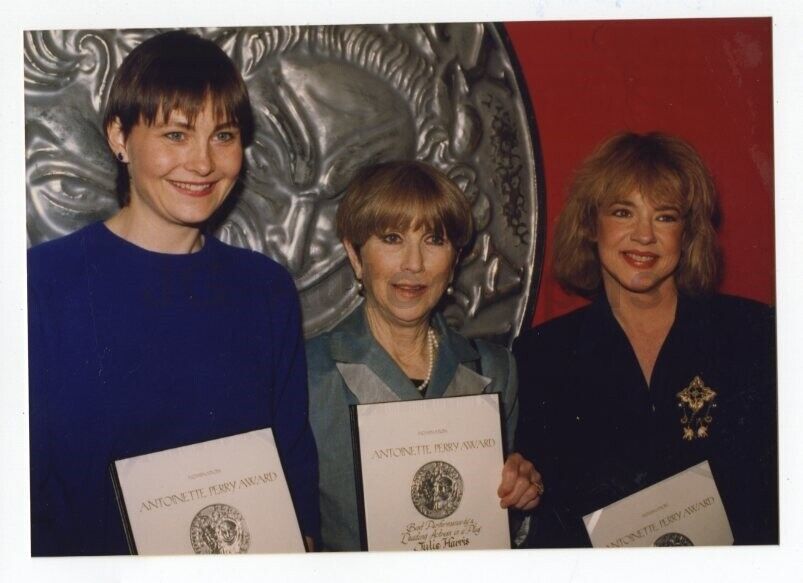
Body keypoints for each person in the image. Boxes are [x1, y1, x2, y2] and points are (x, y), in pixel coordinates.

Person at [27, 30, 319, 555]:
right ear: (119, 137)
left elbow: (293, 462)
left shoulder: (266, 289)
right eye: (176, 135)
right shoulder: (41, 286)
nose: (204, 163)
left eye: (223, 136)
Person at [514, 132, 777, 547]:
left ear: (688, 234)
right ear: (590, 225)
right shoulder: (541, 355)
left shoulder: (754, 334)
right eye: (623, 212)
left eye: (665, 216)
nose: (644, 236)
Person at [306, 160, 543, 551]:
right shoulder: (307, 373)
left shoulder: (495, 369)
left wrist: (519, 491)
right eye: (392, 238)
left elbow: (490, 527)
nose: (413, 264)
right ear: (354, 254)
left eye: (434, 240)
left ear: (454, 261)